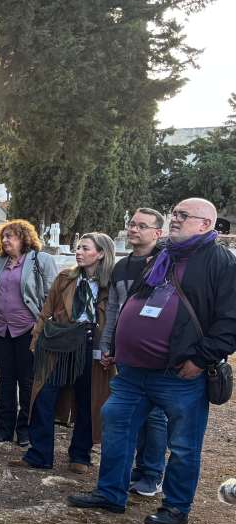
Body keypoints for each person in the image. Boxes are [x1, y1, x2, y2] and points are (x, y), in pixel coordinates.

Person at [70, 198, 236, 524]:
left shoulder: (221, 262)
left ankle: (175, 507)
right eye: (174, 213)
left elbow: (230, 320)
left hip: (180, 373)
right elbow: (135, 301)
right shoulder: (162, 255)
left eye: (183, 215)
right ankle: (110, 493)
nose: (175, 219)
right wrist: (119, 342)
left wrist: (201, 360)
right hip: (133, 370)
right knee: (116, 424)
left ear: (205, 224)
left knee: (183, 445)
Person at [11, 233, 115, 473]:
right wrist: (36, 339)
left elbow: (117, 318)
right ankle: (39, 454)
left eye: (85, 248)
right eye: (78, 247)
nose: (78, 252)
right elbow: (45, 311)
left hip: (92, 344)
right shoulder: (66, 278)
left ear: (100, 254)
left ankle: (80, 455)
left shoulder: (110, 285)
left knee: (87, 399)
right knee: (43, 396)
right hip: (59, 342)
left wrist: (111, 348)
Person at [100, 208, 169, 497]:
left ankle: (152, 473)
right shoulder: (120, 267)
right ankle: (132, 473)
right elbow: (113, 310)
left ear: (157, 233)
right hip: (126, 353)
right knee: (127, 415)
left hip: (155, 355)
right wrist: (108, 344)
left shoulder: (167, 264)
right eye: (132, 224)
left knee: (155, 417)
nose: (134, 229)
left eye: (142, 226)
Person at [0, 219, 58, 447]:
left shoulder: (41, 260)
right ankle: (3, 430)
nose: (5, 240)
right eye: (3, 237)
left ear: (24, 238)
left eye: (10, 236)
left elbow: (52, 296)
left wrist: (41, 324)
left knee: (27, 380)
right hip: (0, 329)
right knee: (5, 379)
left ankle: (25, 431)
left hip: (28, 330)